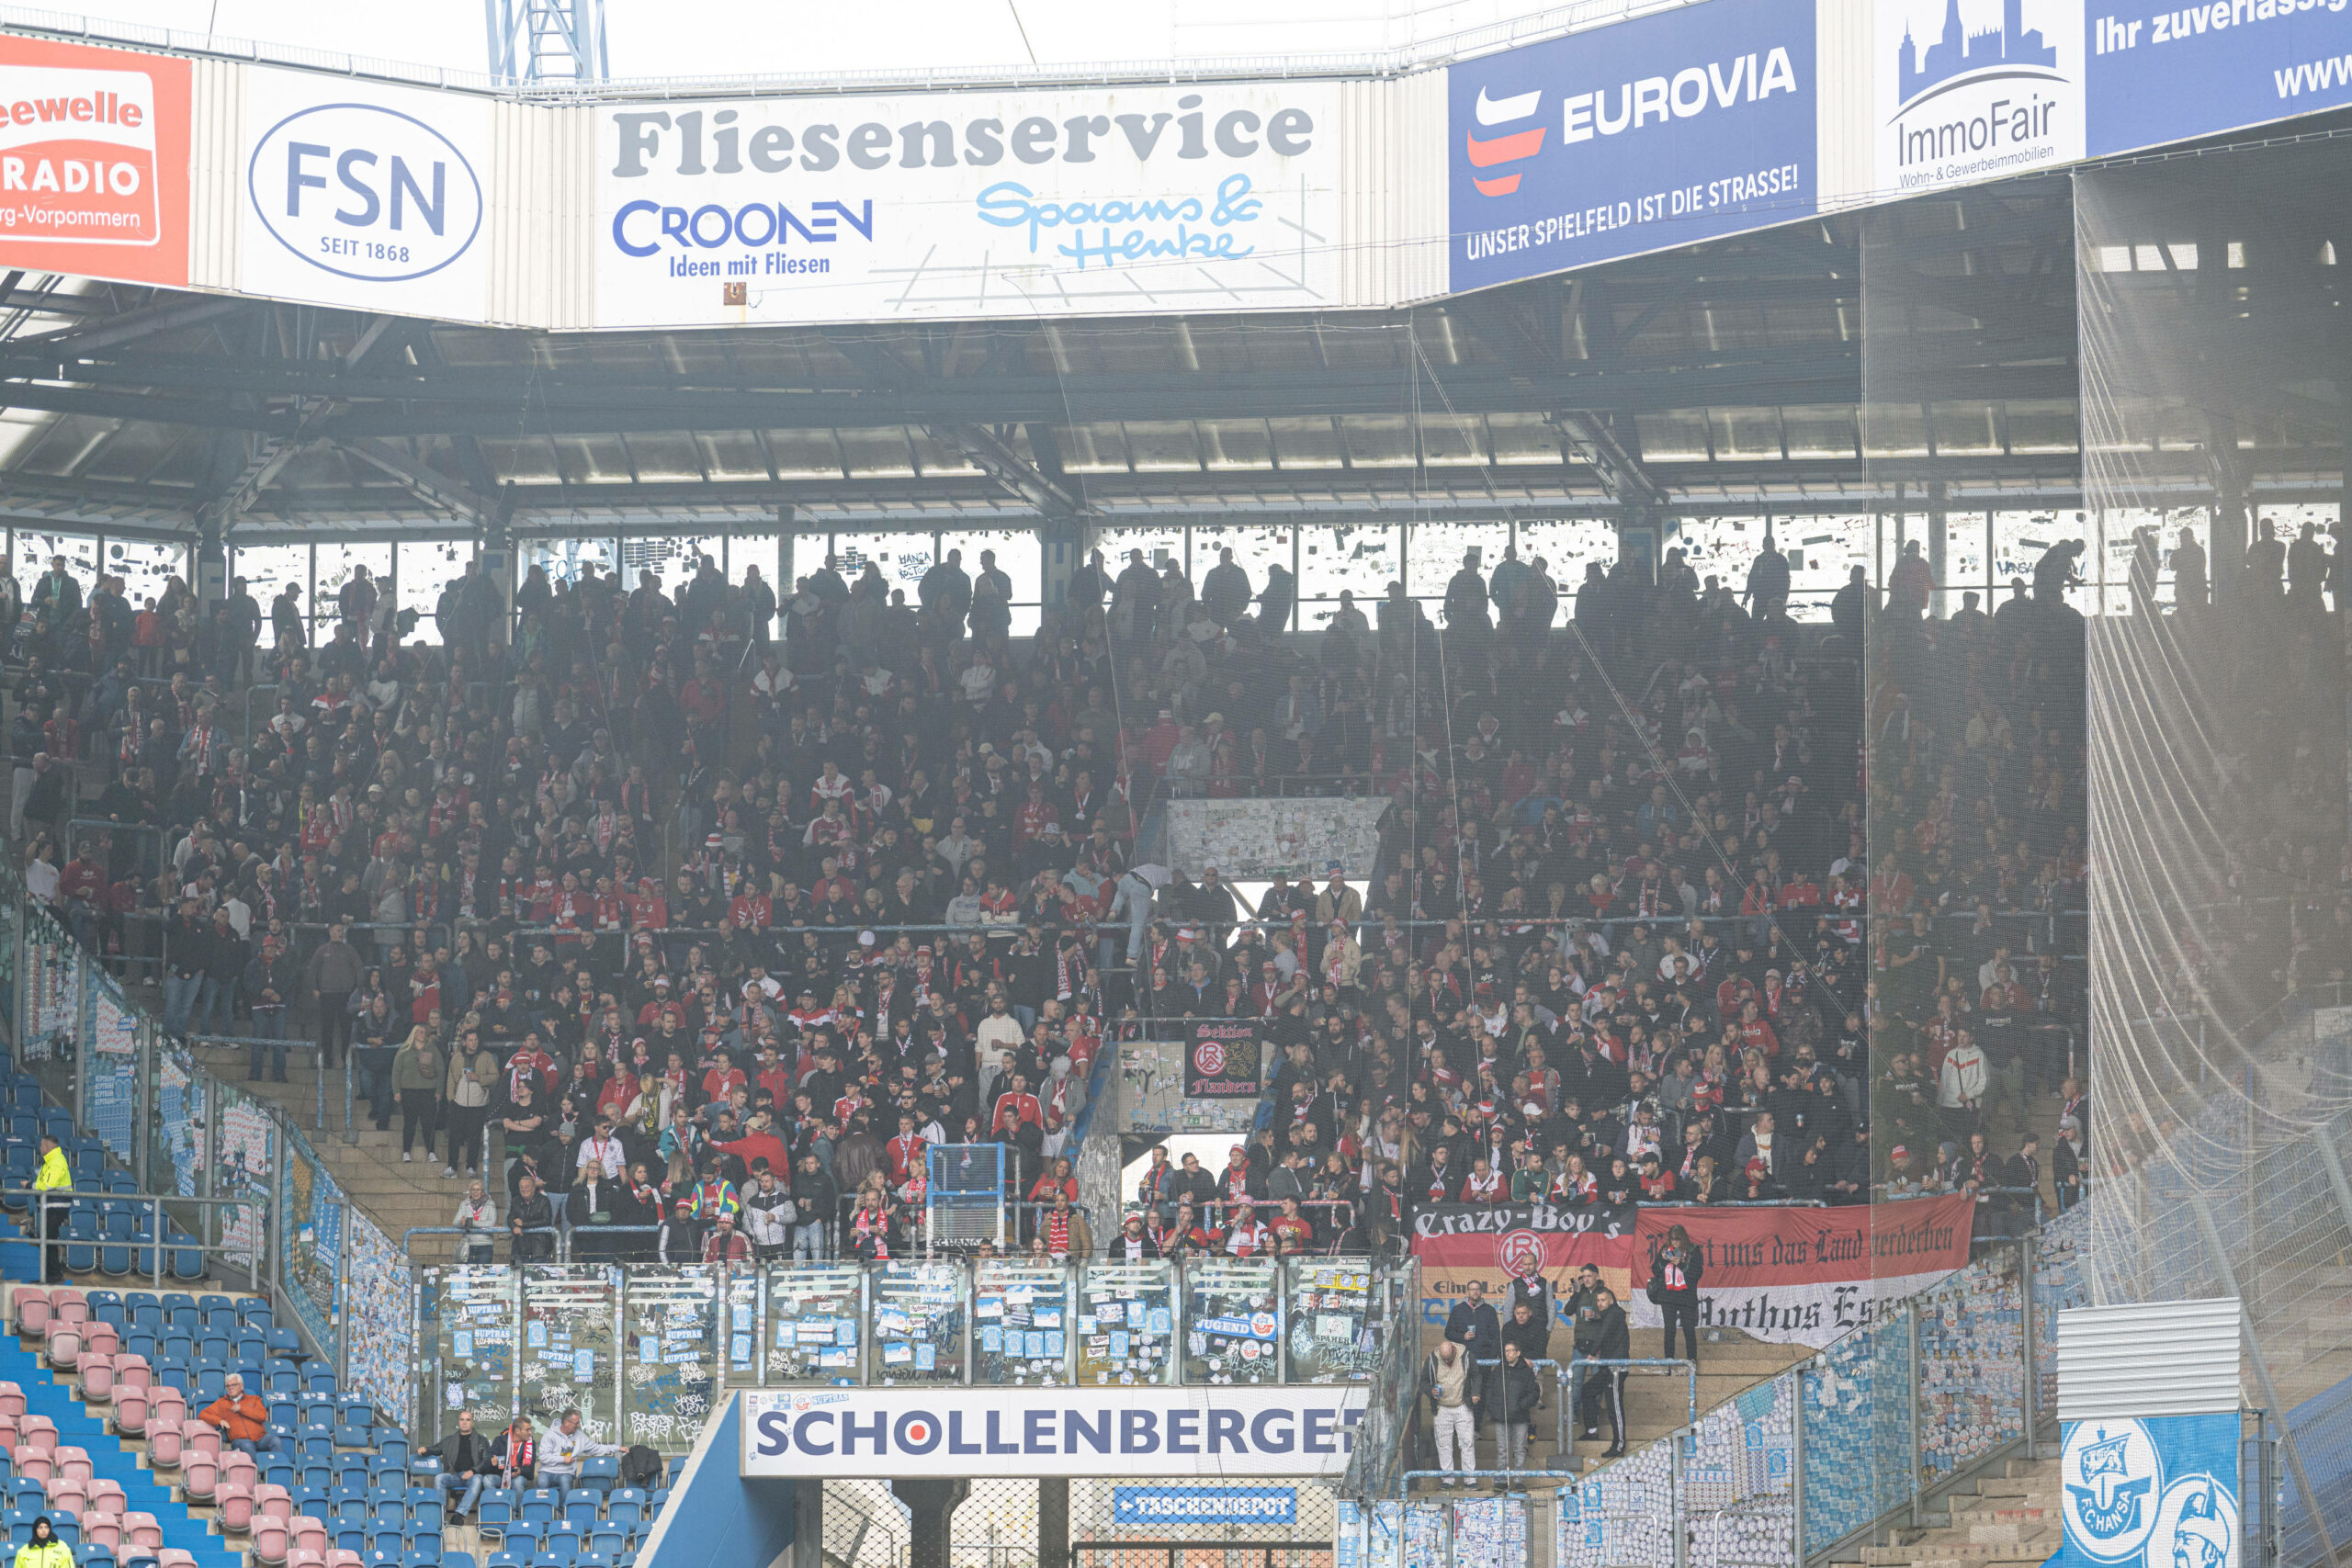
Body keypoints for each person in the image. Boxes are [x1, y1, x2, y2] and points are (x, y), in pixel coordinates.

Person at [1574, 1285, 1629, 1458]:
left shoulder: (1616, 1313)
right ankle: (1591, 1430)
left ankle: (1619, 1444)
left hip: (1616, 1367)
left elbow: (1603, 1334)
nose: (1600, 1303)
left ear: (1611, 1300)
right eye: (1598, 1301)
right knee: (1587, 1391)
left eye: (1603, 1300)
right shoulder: (1607, 1316)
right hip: (1607, 1366)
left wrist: (1592, 1353)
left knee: (1615, 1406)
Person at [1486, 1337, 1546, 1488]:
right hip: (1501, 1416)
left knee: (1519, 1449)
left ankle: (1519, 1480)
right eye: (1506, 1351)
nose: (1508, 1354)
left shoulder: (1526, 1371)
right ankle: (1501, 1480)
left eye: (1511, 1351)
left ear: (1518, 1353)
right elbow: (1490, 1390)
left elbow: (1534, 1392)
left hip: (1520, 1416)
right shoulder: (1499, 1369)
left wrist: (1521, 1405)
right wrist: (1493, 1409)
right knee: (1502, 1450)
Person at [537, 1407, 625, 1501]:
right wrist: (562, 1459)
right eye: (576, 1423)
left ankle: (563, 1510)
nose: (579, 1425)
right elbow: (543, 1457)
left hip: (566, 1472)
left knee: (565, 1484)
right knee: (542, 1482)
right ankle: (543, 1506)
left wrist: (617, 1448)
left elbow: (596, 1448)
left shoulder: (580, 1436)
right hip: (547, 1471)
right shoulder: (549, 1435)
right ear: (566, 1423)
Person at [1422, 1337, 1476, 1488]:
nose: (1447, 1361)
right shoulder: (1432, 1359)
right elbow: (1424, 1381)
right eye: (1444, 1359)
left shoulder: (1465, 1356)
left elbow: (1477, 1375)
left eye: (1449, 1359)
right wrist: (1430, 1391)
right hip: (1441, 1407)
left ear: (1454, 1350)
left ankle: (1470, 1479)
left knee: (1467, 1442)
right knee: (1443, 1444)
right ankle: (1448, 1480)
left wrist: (1475, 1393)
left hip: (1462, 1404)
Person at [1651, 1223, 1705, 1367]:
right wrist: (1663, 1260)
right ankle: (1668, 1362)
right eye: (1672, 1239)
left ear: (1684, 1239)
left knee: (1688, 1328)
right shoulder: (1665, 1249)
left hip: (1686, 1295)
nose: (1675, 1242)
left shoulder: (1693, 1250)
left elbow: (1697, 1274)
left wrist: (1681, 1263)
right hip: (1668, 1295)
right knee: (1669, 1329)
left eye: (1678, 1239)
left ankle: (1692, 1362)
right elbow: (1655, 1270)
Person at [198, 1371, 278, 1455]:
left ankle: (277, 1467)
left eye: (234, 1385)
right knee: (247, 1446)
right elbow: (202, 1414)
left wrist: (242, 1409)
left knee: (275, 1440)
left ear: (241, 1386)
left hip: (260, 1438)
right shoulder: (221, 1403)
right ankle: (256, 1468)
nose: (230, 1388)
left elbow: (262, 1416)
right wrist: (219, 1420)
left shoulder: (254, 1399)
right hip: (241, 1440)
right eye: (228, 1386)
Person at [431, 1410, 492, 1520]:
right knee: (439, 1478)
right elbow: (436, 1449)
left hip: (473, 1476)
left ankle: (459, 1514)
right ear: (459, 1422)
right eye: (462, 1420)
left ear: (472, 1423)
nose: (464, 1422)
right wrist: (425, 1449)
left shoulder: (481, 1440)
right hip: (454, 1475)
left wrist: (473, 1471)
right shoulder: (449, 1440)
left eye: (468, 1420)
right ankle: (439, 1516)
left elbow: (486, 1460)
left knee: (478, 1479)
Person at [31, 1132, 70, 1283]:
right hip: (51, 1206)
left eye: (42, 1145)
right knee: (47, 1240)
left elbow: (46, 1185)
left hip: (56, 1206)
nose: (40, 1148)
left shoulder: (56, 1162)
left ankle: (54, 1275)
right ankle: (50, 1275)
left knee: (47, 1240)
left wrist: (28, 1185)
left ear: (47, 1147)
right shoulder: (51, 1161)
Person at [453, 1181, 498, 1265]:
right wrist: (462, 1223)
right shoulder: (464, 1204)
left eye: (478, 1189)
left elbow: (491, 1223)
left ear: (483, 1192)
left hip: (485, 1245)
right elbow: (455, 1222)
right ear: (470, 1191)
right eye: (473, 1189)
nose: (475, 1192)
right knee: (468, 1274)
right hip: (468, 1245)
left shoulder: (490, 1204)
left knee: (484, 1273)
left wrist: (470, 1222)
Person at [489, 1416, 537, 1490]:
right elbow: (489, 1460)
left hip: (520, 1476)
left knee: (517, 1482)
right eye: (527, 1430)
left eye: (530, 1429)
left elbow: (530, 1470)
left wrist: (520, 1471)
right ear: (517, 1431)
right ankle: (497, 1501)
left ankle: (518, 1502)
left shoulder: (531, 1443)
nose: (530, 1433)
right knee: (487, 1479)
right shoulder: (500, 1440)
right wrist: (493, 1461)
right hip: (502, 1475)